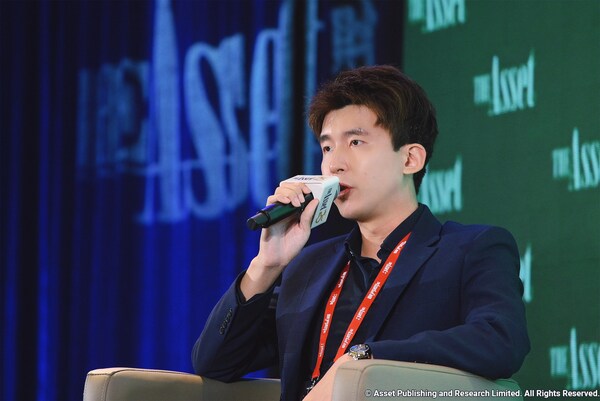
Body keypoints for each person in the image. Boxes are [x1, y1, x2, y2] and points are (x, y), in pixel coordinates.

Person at [192, 65, 530, 401]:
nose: (334, 164)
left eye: (355, 142)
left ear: (410, 159)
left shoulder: (470, 249)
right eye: (327, 148)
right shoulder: (309, 267)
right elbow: (215, 363)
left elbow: (500, 339)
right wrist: (267, 265)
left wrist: (363, 360)